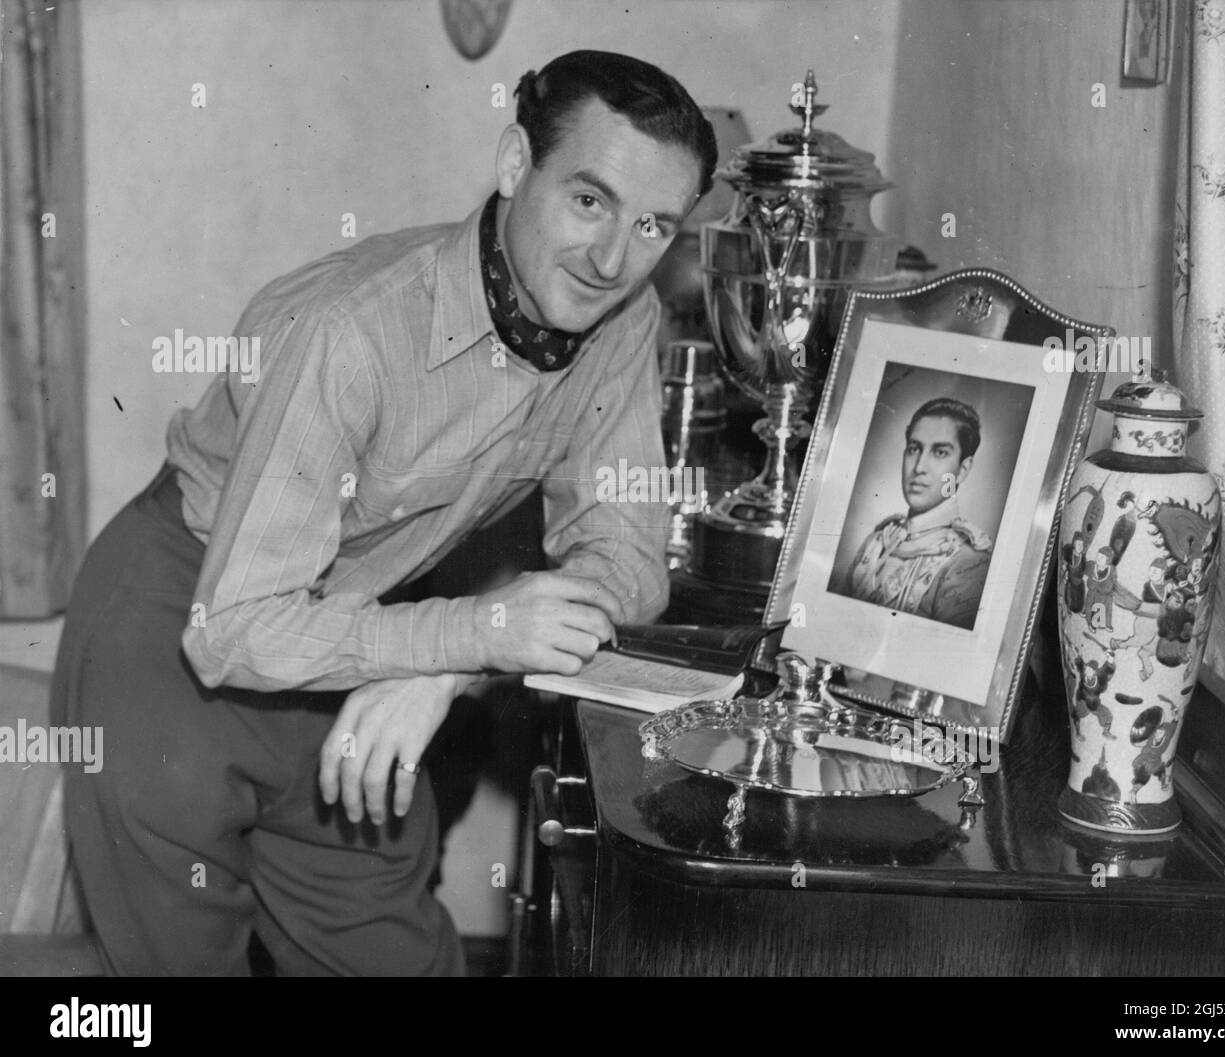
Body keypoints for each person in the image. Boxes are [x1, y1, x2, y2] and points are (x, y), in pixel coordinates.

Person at [50, 50, 717, 976]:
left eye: (652, 225)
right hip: (184, 624)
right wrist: (471, 631)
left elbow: (629, 557)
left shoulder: (620, 320)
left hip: (360, 650)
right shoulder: (351, 330)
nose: (612, 259)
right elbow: (232, 630)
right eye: (590, 200)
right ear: (516, 164)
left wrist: (451, 665)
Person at [840, 397, 992, 630]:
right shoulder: (878, 541)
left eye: (940, 452)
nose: (919, 466)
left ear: (962, 470)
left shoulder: (968, 560)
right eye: (914, 449)